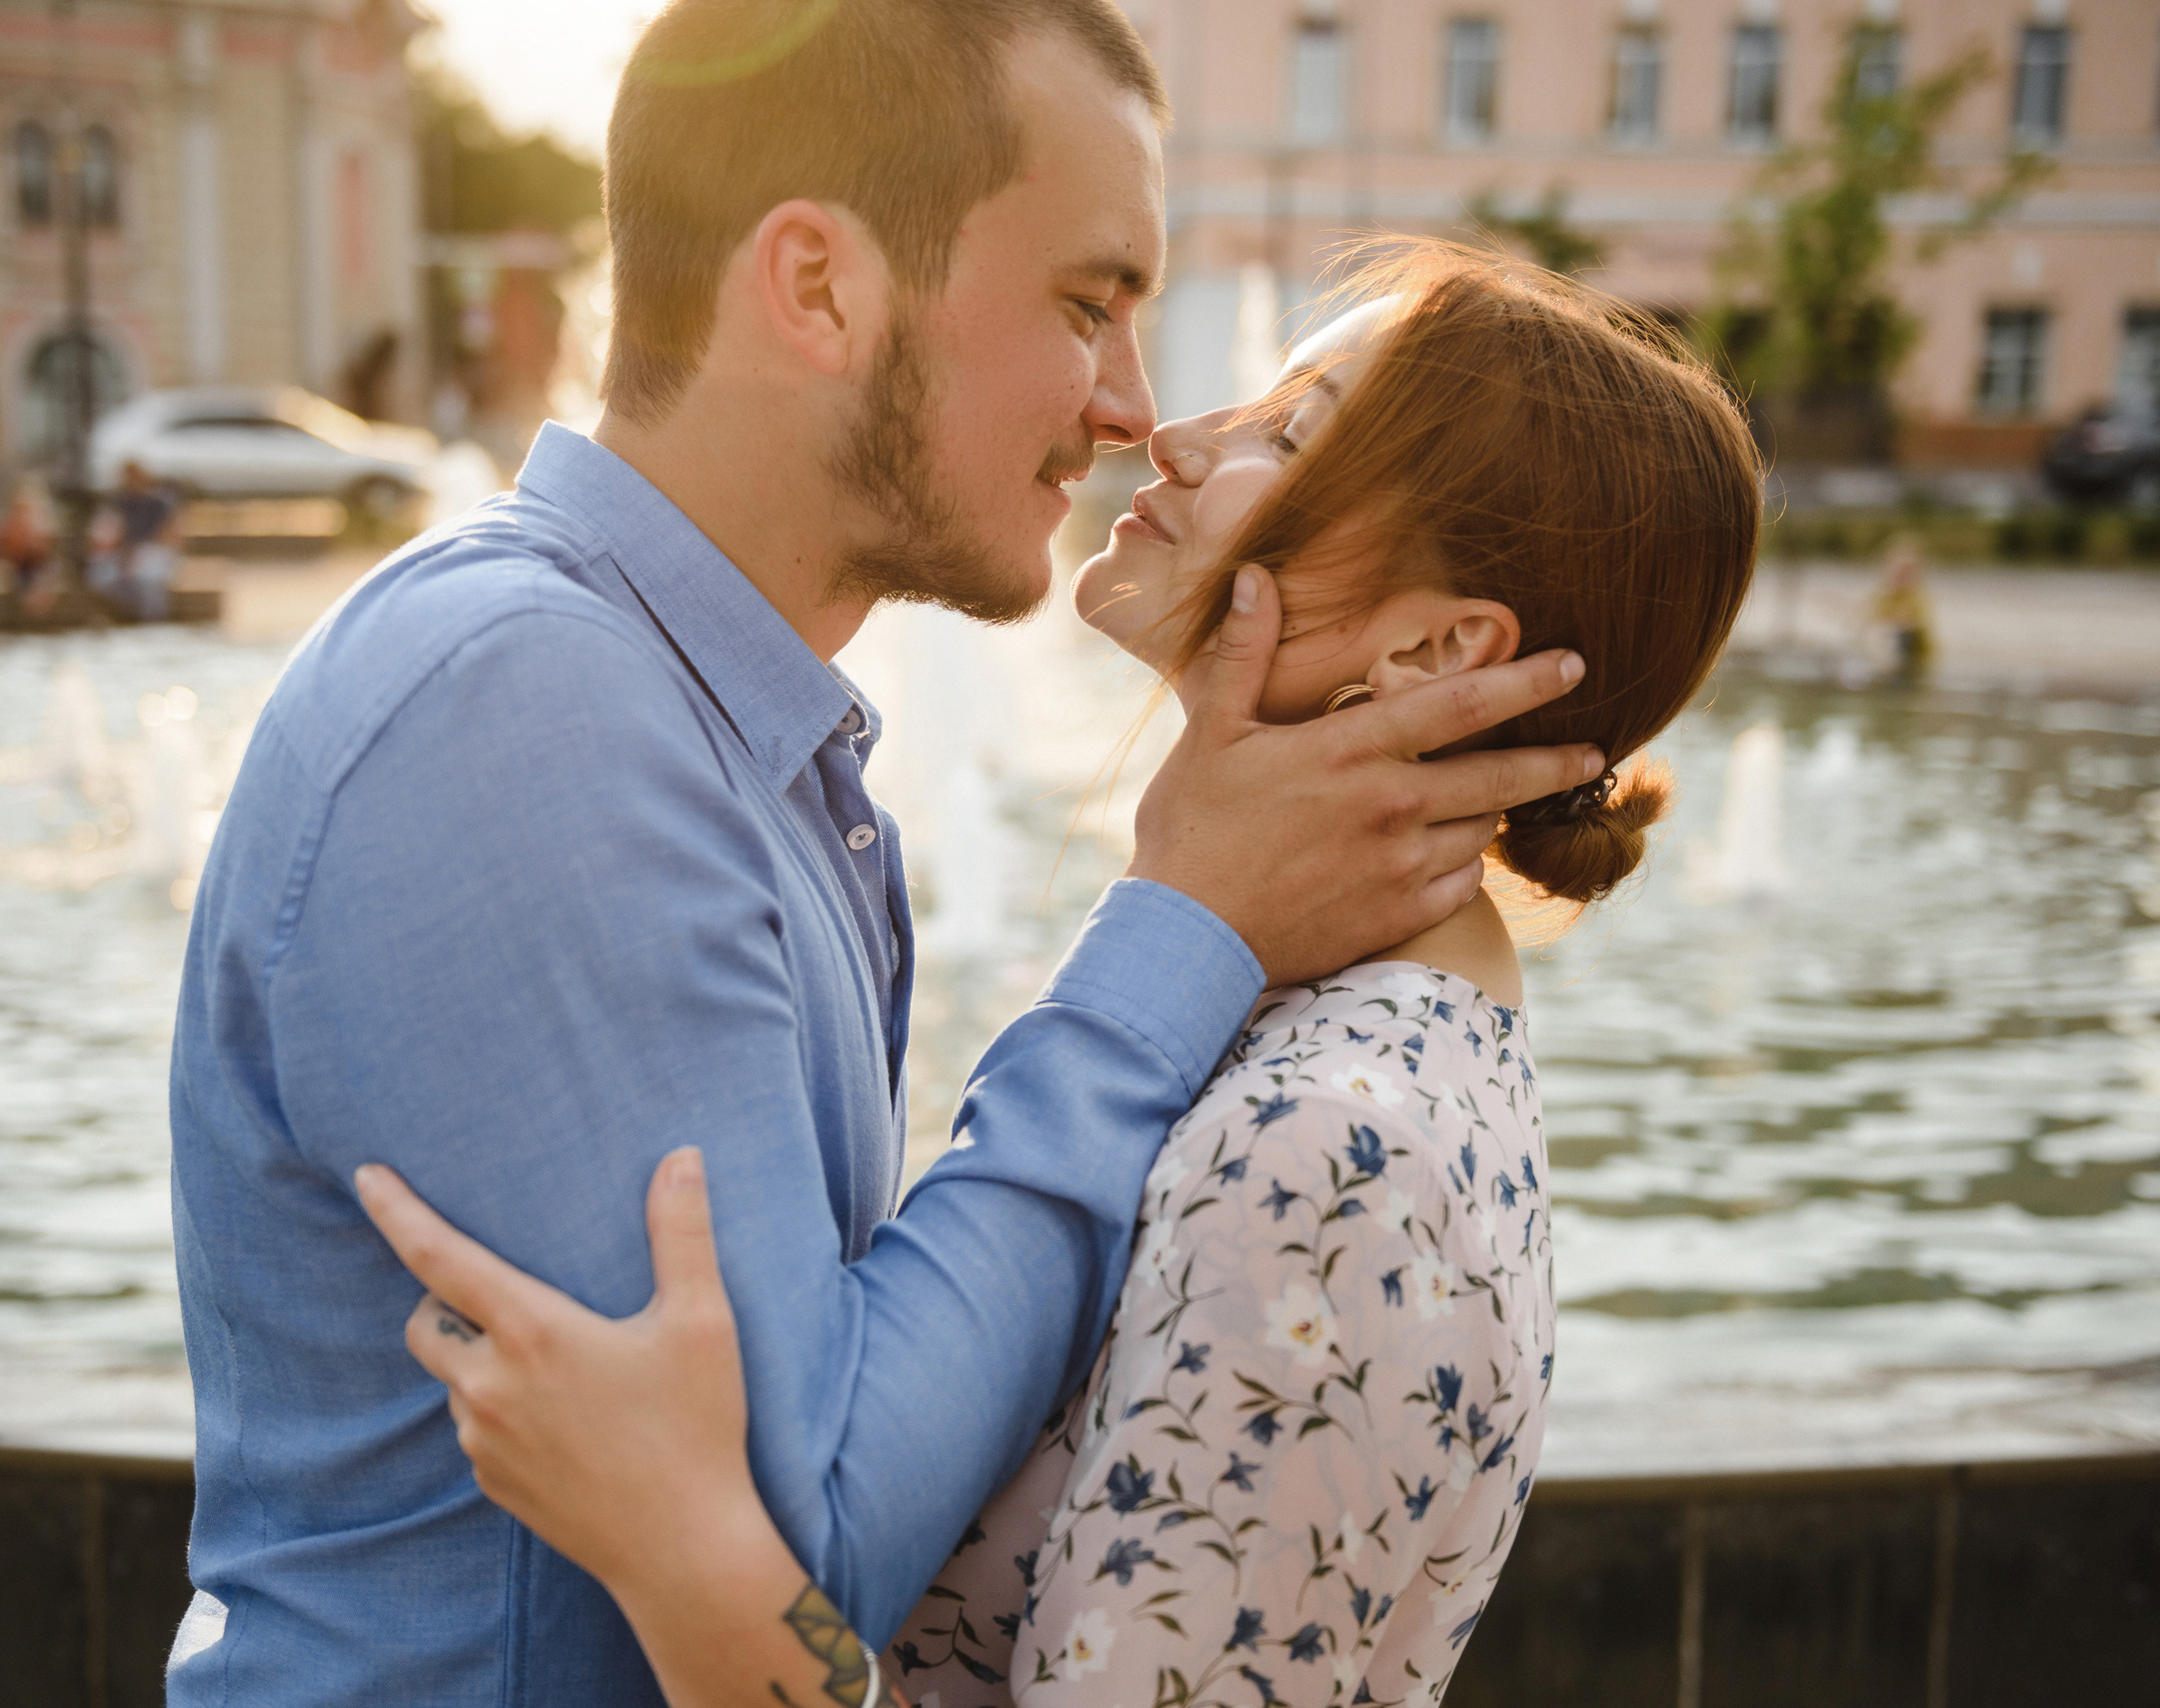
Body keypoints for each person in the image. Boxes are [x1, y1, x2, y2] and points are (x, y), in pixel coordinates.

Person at [164, 5, 1599, 1703]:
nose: (1137, 410)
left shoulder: (727, 734)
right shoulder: (530, 703)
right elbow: (804, 1546)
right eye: (1087, 304)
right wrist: (1181, 925)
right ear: (820, 286)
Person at [356, 243, 1762, 1707]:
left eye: (1286, 433)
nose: (1177, 433)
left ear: (1435, 647)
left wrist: (684, 1552)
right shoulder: (1324, 1037)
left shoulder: (1339, 1152)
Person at [88, 459, 180, 622]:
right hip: (125, 555)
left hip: (153, 552)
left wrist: (139, 553)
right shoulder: (120, 502)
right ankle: (133, 612)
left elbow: (169, 535)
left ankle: (154, 618)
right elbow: (115, 533)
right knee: (100, 576)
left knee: (148, 577)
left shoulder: (160, 502)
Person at [1866, 533, 1934, 680]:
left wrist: (1894, 625)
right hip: (1893, 656)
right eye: (1896, 570)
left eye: (1907, 572)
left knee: (1891, 634)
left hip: (1916, 658)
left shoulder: (1916, 598)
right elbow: (1866, 616)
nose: (1900, 576)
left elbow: (1916, 623)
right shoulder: (1882, 596)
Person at [0, 476, 62, 620]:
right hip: (21, 567)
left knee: (46, 577)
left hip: (38, 565)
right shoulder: (10, 523)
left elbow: (48, 546)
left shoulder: (42, 520)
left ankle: (38, 603)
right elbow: (7, 547)